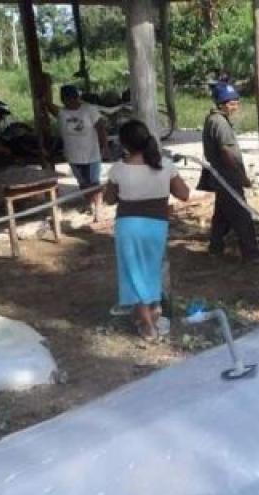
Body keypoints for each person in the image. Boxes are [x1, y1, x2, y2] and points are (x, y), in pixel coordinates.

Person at [104, 120, 190, 341]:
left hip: (128, 226)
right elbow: (184, 194)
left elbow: (109, 199)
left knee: (133, 274)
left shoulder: (119, 169)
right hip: (156, 226)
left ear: (124, 144)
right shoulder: (166, 165)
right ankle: (152, 313)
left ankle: (148, 326)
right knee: (150, 271)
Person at [201, 82, 259, 261]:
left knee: (222, 215)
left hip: (221, 177)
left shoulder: (214, 119)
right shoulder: (220, 123)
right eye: (232, 103)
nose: (236, 106)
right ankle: (251, 253)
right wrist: (241, 176)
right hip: (228, 177)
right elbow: (227, 152)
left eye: (236, 102)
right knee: (242, 216)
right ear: (223, 104)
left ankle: (215, 247)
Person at [55, 85, 109, 222]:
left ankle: (98, 209)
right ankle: (90, 203)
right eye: (65, 100)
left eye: (71, 99)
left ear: (77, 98)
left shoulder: (89, 110)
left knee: (94, 182)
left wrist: (105, 146)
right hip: (72, 154)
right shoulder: (62, 113)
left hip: (91, 153)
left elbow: (101, 128)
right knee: (82, 183)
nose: (69, 103)